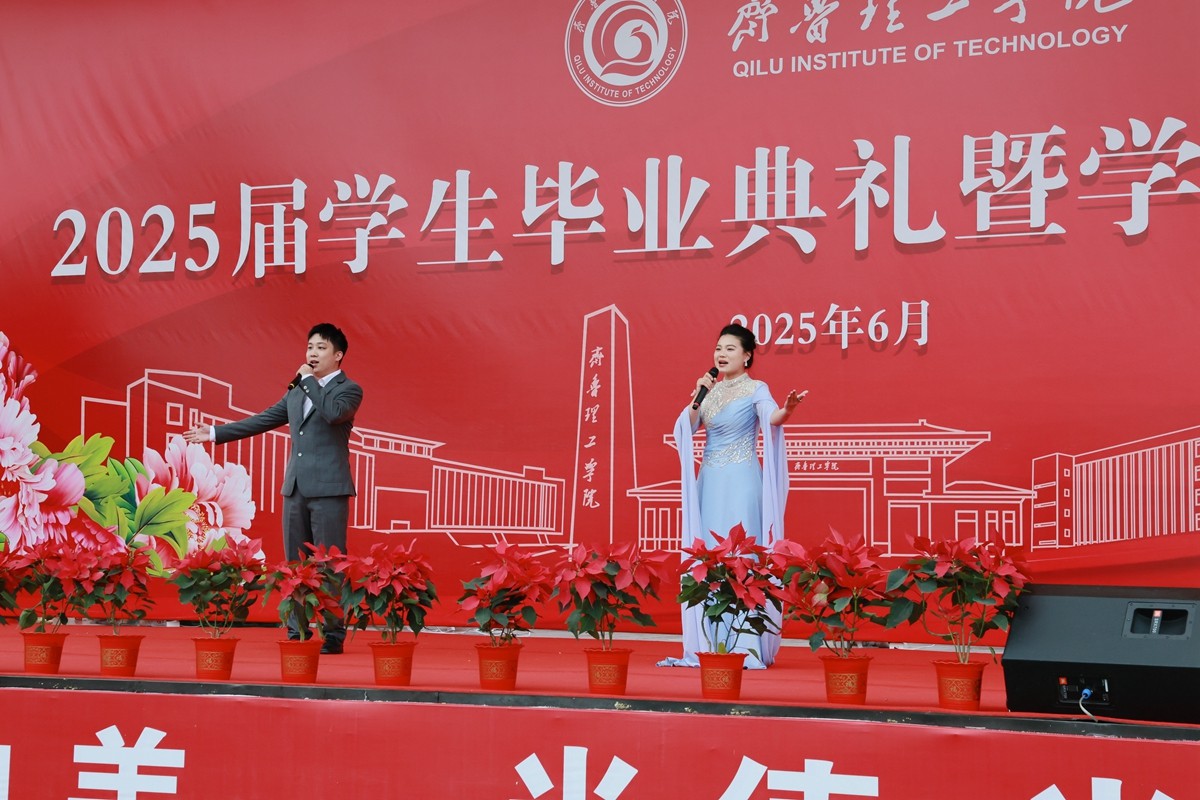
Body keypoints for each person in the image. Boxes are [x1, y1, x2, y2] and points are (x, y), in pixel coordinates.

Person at [184, 322, 363, 654]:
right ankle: (297, 631)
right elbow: (264, 419)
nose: (312, 353)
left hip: (328, 490)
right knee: (295, 564)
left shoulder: (348, 389)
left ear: (338, 356)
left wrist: (307, 382)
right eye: (310, 347)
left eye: (321, 348)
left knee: (329, 563)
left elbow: (332, 413)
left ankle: (333, 634)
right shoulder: (298, 390)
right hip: (295, 489)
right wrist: (215, 433)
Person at [659, 323, 806, 669]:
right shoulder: (708, 391)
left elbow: (772, 418)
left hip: (741, 481)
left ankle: (745, 643)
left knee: (740, 553)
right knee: (708, 555)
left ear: (747, 355)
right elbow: (685, 428)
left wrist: (788, 409)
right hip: (710, 481)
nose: (721, 355)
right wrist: (698, 395)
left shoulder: (756, 388)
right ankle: (709, 643)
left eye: (729, 349)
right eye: (718, 348)